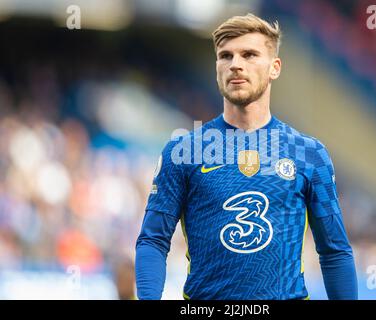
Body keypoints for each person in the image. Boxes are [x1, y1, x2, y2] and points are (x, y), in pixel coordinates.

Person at [135, 13, 358, 300]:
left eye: (249, 54)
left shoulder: (308, 153)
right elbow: (153, 240)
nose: (235, 64)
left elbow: (334, 250)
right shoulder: (183, 151)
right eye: (225, 56)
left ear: (275, 67)